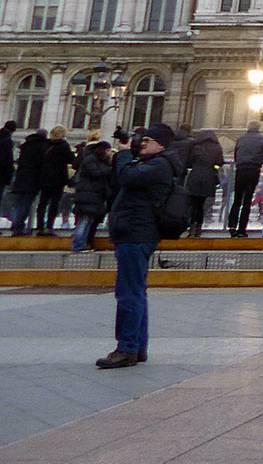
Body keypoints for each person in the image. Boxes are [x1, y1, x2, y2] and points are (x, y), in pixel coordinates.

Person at [98, 124, 179, 368]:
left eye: (147, 140)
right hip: (135, 232)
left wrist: (123, 153)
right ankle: (136, 346)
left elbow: (126, 177)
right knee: (136, 291)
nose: (142, 143)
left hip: (135, 233)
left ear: (161, 144)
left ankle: (127, 348)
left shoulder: (159, 165)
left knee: (128, 293)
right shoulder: (154, 164)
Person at [71, 140, 114, 252]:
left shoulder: (96, 160)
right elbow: (96, 173)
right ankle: (78, 245)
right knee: (84, 221)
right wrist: (110, 167)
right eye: (108, 150)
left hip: (93, 195)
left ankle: (82, 244)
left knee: (88, 221)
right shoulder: (91, 160)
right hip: (88, 195)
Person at [228, 120, 263, 236]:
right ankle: (242, 229)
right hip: (254, 169)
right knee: (247, 200)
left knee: (237, 199)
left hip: (241, 169)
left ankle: (232, 226)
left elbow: (236, 154)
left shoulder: (241, 138)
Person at [183, 128, 223, 236]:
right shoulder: (217, 147)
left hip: (195, 176)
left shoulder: (196, 146)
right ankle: (199, 229)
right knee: (201, 205)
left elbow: (189, 162)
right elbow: (219, 162)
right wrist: (214, 168)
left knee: (193, 205)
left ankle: (192, 228)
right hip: (209, 178)